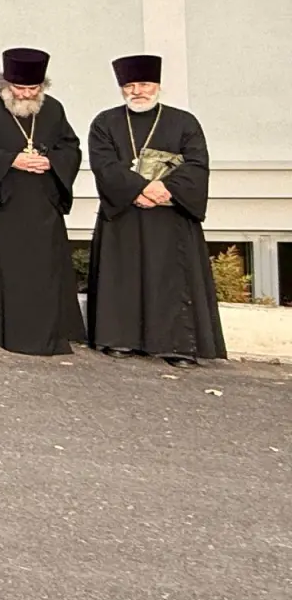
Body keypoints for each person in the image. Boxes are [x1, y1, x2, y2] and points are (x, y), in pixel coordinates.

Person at [86, 54, 225, 366]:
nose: (137, 91)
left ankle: (177, 346)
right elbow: (104, 164)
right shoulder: (105, 122)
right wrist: (140, 189)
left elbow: (197, 164)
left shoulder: (184, 122)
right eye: (130, 86)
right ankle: (120, 339)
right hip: (124, 215)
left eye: (144, 84)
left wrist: (165, 189)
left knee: (172, 281)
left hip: (171, 216)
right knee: (123, 277)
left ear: (157, 85)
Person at [0, 48, 84, 356]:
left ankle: (45, 332)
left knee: (43, 271)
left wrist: (51, 162)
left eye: (33, 89)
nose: (25, 95)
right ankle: (0, 330)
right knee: (5, 272)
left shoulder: (53, 109)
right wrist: (11, 160)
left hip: (41, 206)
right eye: (19, 88)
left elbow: (70, 148)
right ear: (5, 83)